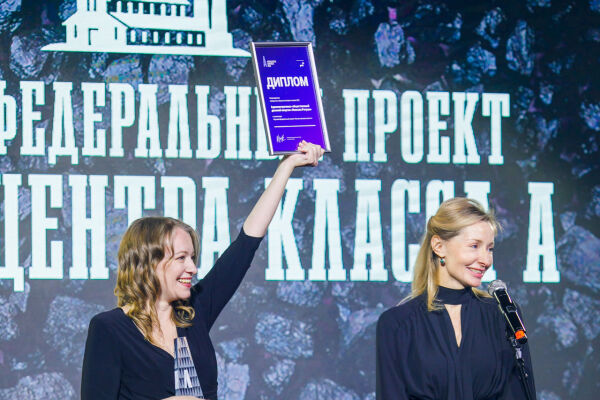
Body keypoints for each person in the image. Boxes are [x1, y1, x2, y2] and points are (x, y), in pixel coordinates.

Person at [81, 141, 325, 400]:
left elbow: (246, 244)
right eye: (181, 258)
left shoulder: (194, 311)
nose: (193, 267)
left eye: (192, 257)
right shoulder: (109, 328)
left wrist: (286, 166)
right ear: (149, 264)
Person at [376, 198, 536, 400]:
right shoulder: (398, 324)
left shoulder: (503, 315)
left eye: (490, 249)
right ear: (439, 246)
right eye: (474, 246)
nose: (486, 260)